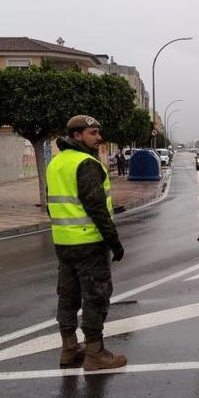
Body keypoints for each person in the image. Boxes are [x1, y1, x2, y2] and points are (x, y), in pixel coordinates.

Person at [46, 114, 127, 371]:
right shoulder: (86, 163)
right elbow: (97, 208)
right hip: (89, 242)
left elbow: (51, 205)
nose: (99, 137)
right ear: (77, 136)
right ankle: (95, 354)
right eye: (93, 133)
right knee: (96, 296)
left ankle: (69, 348)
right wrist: (114, 241)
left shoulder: (56, 163)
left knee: (67, 296)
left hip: (63, 242)